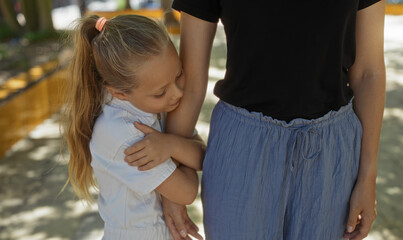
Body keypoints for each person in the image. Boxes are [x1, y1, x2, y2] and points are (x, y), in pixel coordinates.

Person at [125, 0, 386, 239]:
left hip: (332, 152)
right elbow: (192, 84)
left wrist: (368, 175)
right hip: (242, 148)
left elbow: (368, 72)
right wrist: (173, 179)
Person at [63, 15, 206, 239]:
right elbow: (187, 191)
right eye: (161, 92)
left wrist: (170, 146)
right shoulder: (122, 133)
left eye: (178, 75)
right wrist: (180, 149)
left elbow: (204, 157)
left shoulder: (149, 103)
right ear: (119, 93)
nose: (177, 93)